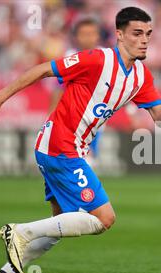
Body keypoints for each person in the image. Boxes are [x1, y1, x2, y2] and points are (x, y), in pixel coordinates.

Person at [0, 7, 161, 273]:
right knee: (104, 218)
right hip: (60, 145)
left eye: (148, 34)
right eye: (137, 33)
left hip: (69, 147)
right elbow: (42, 70)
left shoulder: (140, 76)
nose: (144, 40)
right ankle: (20, 232)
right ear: (120, 35)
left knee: (59, 223)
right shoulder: (96, 59)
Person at [48, 15, 103, 167]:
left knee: (88, 163)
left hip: (95, 118)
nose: (88, 38)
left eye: (91, 34)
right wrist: (51, 114)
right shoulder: (70, 57)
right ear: (77, 37)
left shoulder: (105, 56)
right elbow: (58, 88)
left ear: (98, 35)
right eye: (84, 34)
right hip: (72, 119)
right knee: (78, 164)